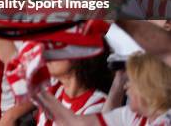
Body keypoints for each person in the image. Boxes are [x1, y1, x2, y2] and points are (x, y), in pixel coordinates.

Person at [35, 52, 171, 126]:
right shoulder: (133, 116)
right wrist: (35, 89)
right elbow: (75, 123)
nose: (127, 86)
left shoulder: (165, 122)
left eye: (131, 80)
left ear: (148, 85)